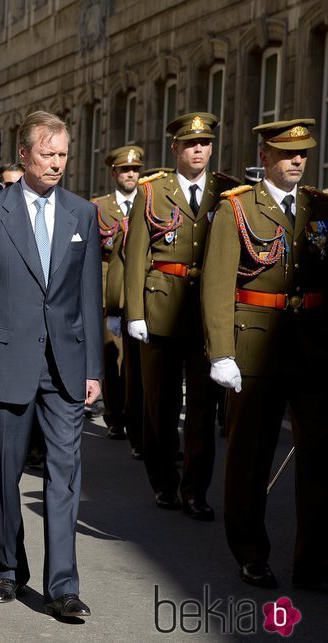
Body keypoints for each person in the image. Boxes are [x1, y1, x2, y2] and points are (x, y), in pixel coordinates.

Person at [0, 111, 101, 617]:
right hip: (2, 364)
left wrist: (94, 369)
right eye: (48, 154)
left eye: (64, 154)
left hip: (64, 365)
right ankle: (7, 569)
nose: (58, 164)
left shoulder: (82, 214)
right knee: (3, 471)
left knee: (65, 476)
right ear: (24, 155)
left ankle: (63, 586)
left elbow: (89, 296)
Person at [202, 119, 328, 591]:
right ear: (265, 153)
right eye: (287, 153)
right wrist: (221, 352)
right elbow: (217, 285)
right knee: (250, 455)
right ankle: (251, 552)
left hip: (313, 347)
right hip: (254, 343)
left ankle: (312, 559)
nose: (297, 161)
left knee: (318, 455)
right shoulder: (238, 208)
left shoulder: (320, 206)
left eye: (303, 154)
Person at [123, 113, 238, 519]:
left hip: (205, 314)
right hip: (161, 307)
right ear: (175, 148)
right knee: (161, 403)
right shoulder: (153, 191)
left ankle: (195, 489)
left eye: (205, 143)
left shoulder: (227, 192)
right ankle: (163, 481)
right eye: (191, 144)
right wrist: (134, 311)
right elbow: (135, 253)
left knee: (203, 407)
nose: (199, 150)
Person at [91, 146, 143, 444]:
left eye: (135, 170)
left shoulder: (150, 204)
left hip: (138, 292)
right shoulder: (99, 207)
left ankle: (135, 417)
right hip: (108, 292)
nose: (130, 175)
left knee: (136, 362)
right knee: (112, 357)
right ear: (114, 174)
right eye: (124, 170)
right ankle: (114, 416)